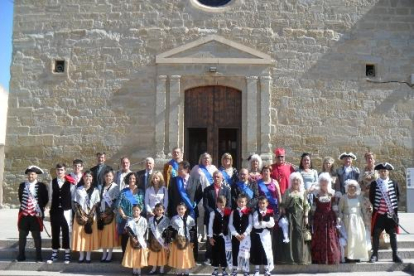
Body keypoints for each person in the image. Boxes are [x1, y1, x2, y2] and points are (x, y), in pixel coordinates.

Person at [168, 161, 203, 261]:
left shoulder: (195, 180)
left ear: (187, 169)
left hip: (190, 212)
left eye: (180, 169)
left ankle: (193, 257)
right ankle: (177, 258)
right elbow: (171, 197)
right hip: (177, 212)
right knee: (177, 234)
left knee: (191, 234)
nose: (178, 171)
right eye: (178, 169)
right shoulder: (174, 181)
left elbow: (199, 193)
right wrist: (170, 212)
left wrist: (194, 202)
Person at [369, 162, 402, 263]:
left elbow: (398, 196)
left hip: (390, 214)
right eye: (381, 171)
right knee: (376, 234)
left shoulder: (394, 183)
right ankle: (375, 255)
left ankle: (395, 255)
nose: (383, 173)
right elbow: (371, 197)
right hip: (379, 214)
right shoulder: (374, 184)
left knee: (393, 234)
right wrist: (379, 208)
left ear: (388, 172)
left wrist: (391, 209)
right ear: (379, 172)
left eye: (385, 171)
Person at [16, 166, 49, 262]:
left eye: (33, 174)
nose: (30, 176)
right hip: (24, 214)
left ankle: (38, 256)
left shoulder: (42, 186)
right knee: (22, 236)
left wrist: (39, 209)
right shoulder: (22, 185)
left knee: (37, 236)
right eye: (29, 174)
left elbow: (45, 199)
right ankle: (21, 255)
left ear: (36, 175)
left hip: (36, 215)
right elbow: (20, 198)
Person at [277, 172, 311, 265]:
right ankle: (290, 258)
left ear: (300, 182)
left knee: (299, 236)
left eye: (297, 180)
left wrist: (306, 216)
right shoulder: (287, 191)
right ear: (291, 181)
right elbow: (282, 204)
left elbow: (306, 205)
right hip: (290, 216)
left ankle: (300, 258)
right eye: (294, 180)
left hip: (300, 217)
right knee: (290, 235)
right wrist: (283, 211)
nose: (296, 182)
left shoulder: (303, 192)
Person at [47, 163, 76, 264]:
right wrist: (50, 209)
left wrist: (72, 211)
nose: (60, 172)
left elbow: (72, 198)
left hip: (66, 210)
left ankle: (67, 253)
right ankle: (54, 253)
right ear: (56, 171)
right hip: (55, 210)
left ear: (65, 171)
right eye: (58, 170)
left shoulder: (70, 183)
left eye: (62, 170)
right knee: (55, 231)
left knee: (66, 232)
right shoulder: (52, 182)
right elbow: (50, 197)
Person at [311, 173, 341, 264]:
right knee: (319, 237)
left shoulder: (332, 193)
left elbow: (335, 206)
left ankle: (331, 257)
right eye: (322, 181)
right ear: (319, 182)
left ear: (328, 182)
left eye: (325, 181)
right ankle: (319, 258)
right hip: (319, 218)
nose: (324, 182)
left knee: (330, 236)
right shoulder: (316, 194)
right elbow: (314, 206)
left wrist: (337, 217)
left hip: (329, 218)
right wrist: (312, 216)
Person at [72, 170, 100, 263]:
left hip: (91, 216)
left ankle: (88, 255)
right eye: (86, 176)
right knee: (80, 235)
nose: (88, 178)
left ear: (92, 179)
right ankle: (81, 255)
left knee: (88, 236)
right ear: (83, 178)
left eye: (90, 176)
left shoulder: (96, 190)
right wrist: (81, 215)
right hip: (80, 216)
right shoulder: (78, 189)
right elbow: (75, 203)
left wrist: (89, 216)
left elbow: (96, 204)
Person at [338, 179, 370, 262]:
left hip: (358, 220)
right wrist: (339, 218)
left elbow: (363, 209)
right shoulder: (343, 198)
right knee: (349, 238)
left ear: (356, 188)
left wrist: (366, 220)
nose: (351, 188)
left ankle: (357, 255)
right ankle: (348, 256)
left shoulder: (359, 197)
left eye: (353, 187)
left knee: (358, 237)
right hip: (347, 220)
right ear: (347, 188)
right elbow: (340, 210)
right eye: (350, 187)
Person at [203, 171, 231, 264]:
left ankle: (222, 256)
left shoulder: (226, 189)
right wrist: (214, 214)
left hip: (223, 218)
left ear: (222, 178)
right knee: (210, 237)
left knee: (223, 237)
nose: (216, 178)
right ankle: (209, 256)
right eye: (214, 177)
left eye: (218, 177)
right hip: (211, 217)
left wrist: (222, 213)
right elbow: (205, 205)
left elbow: (229, 204)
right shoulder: (207, 189)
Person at [190, 153, 218, 241]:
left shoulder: (214, 168)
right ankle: (200, 233)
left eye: (208, 158)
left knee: (209, 214)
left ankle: (207, 234)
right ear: (201, 159)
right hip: (200, 195)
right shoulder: (196, 168)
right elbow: (191, 181)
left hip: (211, 194)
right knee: (200, 214)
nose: (206, 160)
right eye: (204, 158)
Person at [117, 172, 145, 254]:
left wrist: (136, 216)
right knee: (125, 238)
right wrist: (123, 215)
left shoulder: (140, 192)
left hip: (136, 219)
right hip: (125, 218)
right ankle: (124, 257)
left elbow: (142, 205)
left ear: (136, 180)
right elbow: (118, 204)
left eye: (133, 178)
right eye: (130, 178)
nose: (131, 180)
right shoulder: (123, 192)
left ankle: (134, 259)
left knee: (136, 238)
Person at [167, 202, 197, 276]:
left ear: (185, 209)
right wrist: (169, 240)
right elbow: (170, 230)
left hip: (187, 240)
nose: (180, 210)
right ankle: (179, 271)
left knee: (186, 256)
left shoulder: (190, 219)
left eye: (182, 209)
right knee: (179, 257)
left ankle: (186, 271)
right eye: (179, 209)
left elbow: (193, 231)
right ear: (177, 210)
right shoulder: (174, 219)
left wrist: (192, 241)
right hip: (177, 241)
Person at [229, 194, 253, 276]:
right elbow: (230, 224)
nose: (241, 203)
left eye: (243, 202)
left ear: (246, 202)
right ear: (237, 202)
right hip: (236, 237)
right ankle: (235, 269)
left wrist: (245, 234)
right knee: (235, 252)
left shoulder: (249, 212)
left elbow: (250, 224)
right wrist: (235, 234)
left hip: (245, 237)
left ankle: (246, 269)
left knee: (245, 252)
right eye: (239, 202)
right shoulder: (233, 212)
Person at [98, 169, 119, 262]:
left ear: (113, 177)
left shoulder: (116, 187)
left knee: (110, 235)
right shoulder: (101, 187)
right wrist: (101, 212)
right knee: (103, 234)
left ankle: (109, 254)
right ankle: (104, 253)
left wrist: (108, 212)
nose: (108, 178)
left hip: (111, 214)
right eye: (106, 176)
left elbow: (116, 201)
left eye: (110, 176)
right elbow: (100, 200)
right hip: (102, 214)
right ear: (104, 177)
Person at [208, 195, 232, 276]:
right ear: (216, 203)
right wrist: (210, 237)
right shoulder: (213, 213)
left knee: (223, 253)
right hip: (215, 236)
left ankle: (224, 269)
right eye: (220, 204)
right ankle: (215, 269)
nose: (221, 206)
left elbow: (230, 225)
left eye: (223, 205)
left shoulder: (227, 213)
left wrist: (229, 236)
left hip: (224, 237)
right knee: (215, 253)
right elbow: (210, 226)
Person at [250, 196, 275, 276]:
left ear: (267, 204)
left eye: (263, 203)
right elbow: (256, 225)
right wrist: (265, 224)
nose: (262, 205)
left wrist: (262, 223)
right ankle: (257, 270)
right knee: (258, 252)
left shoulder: (270, 212)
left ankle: (266, 269)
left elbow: (272, 224)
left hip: (266, 235)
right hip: (258, 236)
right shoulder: (256, 212)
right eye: (260, 203)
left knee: (267, 252)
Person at [122, 205, 149, 276]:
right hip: (132, 240)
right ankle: (134, 270)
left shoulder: (144, 220)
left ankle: (139, 270)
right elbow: (127, 229)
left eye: (137, 210)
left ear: (140, 211)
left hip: (141, 240)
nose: (135, 211)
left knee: (139, 255)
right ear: (132, 211)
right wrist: (132, 237)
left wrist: (143, 239)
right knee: (133, 255)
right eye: (134, 210)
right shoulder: (130, 220)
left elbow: (146, 230)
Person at [148, 203, 170, 275]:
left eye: (160, 210)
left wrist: (167, 241)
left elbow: (168, 232)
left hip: (162, 240)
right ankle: (154, 268)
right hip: (154, 240)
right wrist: (149, 241)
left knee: (162, 255)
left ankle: (161, 268)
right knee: (154, 255)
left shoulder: (166, 219)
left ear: (163, 210)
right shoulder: (151, 219)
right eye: (157, 210)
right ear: (155, 211)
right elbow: (150, 231)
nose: (159, 211)